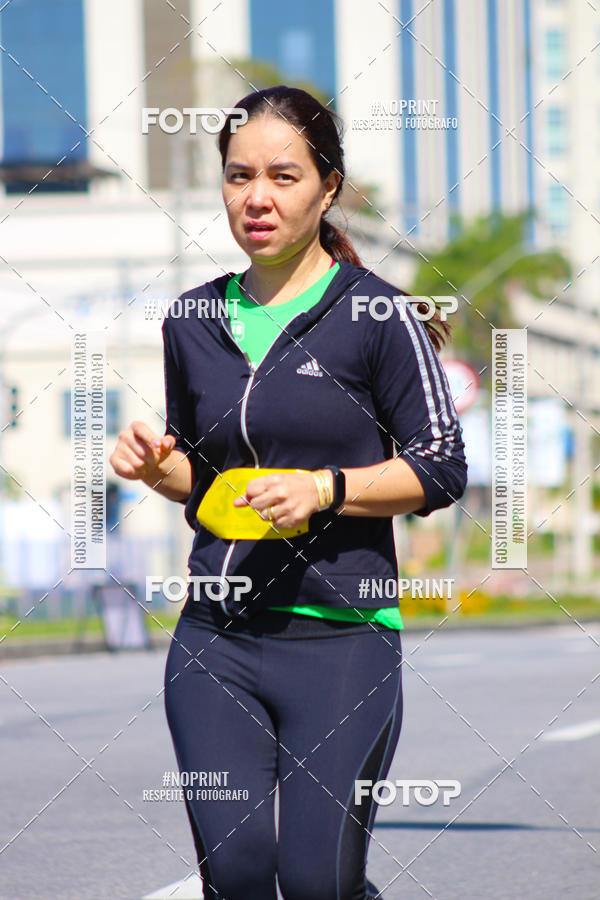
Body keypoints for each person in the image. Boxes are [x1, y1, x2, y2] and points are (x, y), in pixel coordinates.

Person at [110, 85, 468, 900]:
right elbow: (209, 486)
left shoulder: (375, 314)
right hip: (218, 638)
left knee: (315, 883)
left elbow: (442, 464)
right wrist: (155, 466)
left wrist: (324, 488)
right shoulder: (191, 320)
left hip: (342, 638)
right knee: (235, 873)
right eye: (239, 177)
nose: (258, 197)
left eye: (283, 175)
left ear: (327, 186)